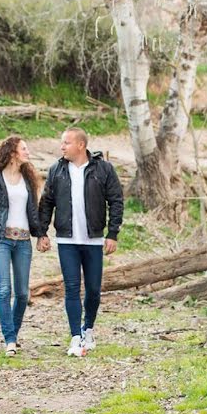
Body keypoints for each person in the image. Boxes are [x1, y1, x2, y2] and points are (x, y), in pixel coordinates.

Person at [38, 127, 124, 356]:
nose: (62, 146)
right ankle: (75, 336)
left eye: (66, 142)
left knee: (94, 290)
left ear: (80, 145)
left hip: (94, 239)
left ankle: (89, 329)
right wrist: (42, 232)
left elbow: (116, 201)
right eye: (62, 142)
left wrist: (112, 234)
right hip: (67, 240)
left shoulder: (103, 169)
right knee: (72, 288)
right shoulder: (57, 170)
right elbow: (47, 202)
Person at [0, 136, 45, 356]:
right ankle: (9, 340)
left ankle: (12, 334)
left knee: (23, 294)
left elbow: (33, 210)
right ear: (12, 152)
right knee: (4, 289)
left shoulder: (28, 178)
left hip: (23, 241)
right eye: (24, 148)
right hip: (0, 239)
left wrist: (41, 234)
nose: (27, 152)